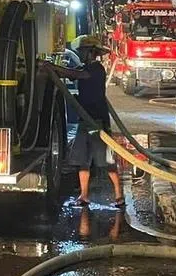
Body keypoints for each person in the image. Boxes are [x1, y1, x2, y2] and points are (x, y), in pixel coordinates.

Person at [43, 36, 125, 208]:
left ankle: (119, 195)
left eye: (82, 51)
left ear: (90, 52)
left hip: (97, 122)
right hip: (84, 120)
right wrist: (53, 69)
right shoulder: (86, 67)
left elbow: (75, 74)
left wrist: (52, 67)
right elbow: (72, 74)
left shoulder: (96, 69)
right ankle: (84, 195)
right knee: (83, 160)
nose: (80, 54)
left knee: (106, 161)